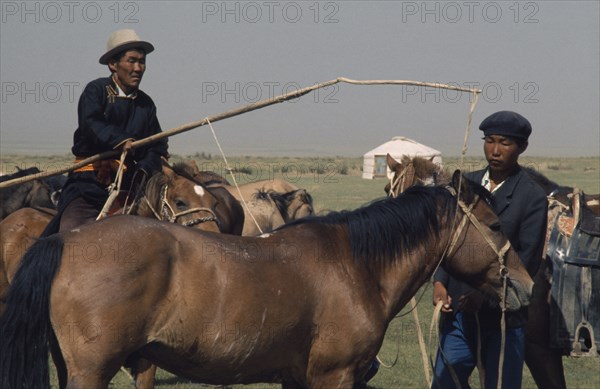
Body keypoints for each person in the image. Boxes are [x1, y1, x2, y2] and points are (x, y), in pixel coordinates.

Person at [431, 111, 547, 389]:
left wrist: (485, 297)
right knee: (444, 383)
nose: (495, 150)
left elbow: (526, 262)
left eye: (505, 143)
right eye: (490, 141)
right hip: (457, 314)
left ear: (522, 147)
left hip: (503, 318)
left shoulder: (531, 197)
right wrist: (439, 282)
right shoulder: (462, 184)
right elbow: (446, 241)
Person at [43, 29, 168, 235]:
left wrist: (144, 169)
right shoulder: (96, 90)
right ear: (113, 64)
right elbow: (91, 123)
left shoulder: (146, 104)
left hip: (130, 187)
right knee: (70, 236)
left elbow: (158, 145)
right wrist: (121, 141)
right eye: (132, 61)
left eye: (142, 61)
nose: (138, 68)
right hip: (89, 183)